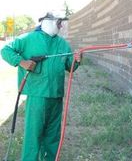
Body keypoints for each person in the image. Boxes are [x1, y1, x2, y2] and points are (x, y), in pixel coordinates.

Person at [1, 12, 81, 161]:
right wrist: (21, 62)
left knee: (52, 137)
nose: (61, 25)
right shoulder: (28, 39)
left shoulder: (62, 44)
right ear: (49, 21)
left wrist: (76, 60)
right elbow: (5, 50)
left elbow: (70, 66)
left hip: (56, 96)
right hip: (37, 96)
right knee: (34, 136)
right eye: (59, 22)